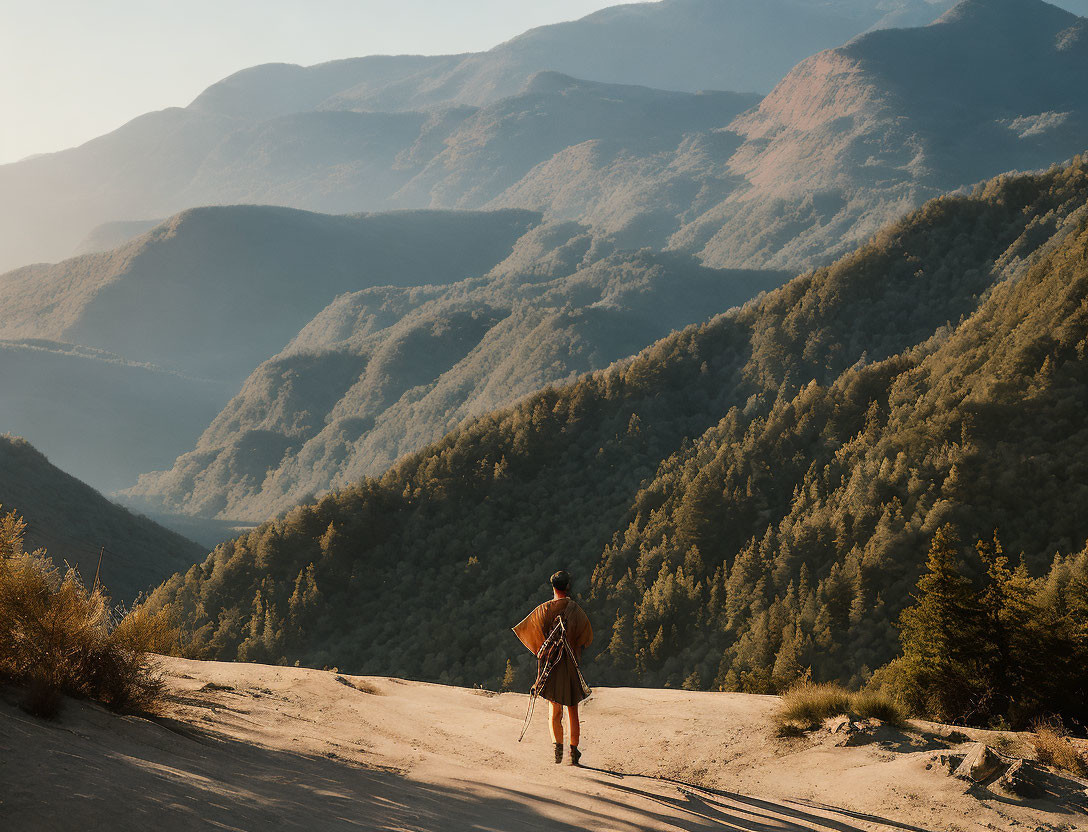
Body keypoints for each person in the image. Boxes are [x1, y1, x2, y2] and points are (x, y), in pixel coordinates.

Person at [512, 570, 593, 765]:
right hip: (570, 664)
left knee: (554, 709)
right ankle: (573, 753)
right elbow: (586, 638)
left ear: (553, 587)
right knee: (572, 710)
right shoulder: (575, 610)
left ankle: (557, 750)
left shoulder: (544, 610)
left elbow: (528, 631)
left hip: (551, 664)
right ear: (568, 587)